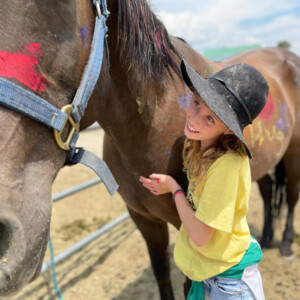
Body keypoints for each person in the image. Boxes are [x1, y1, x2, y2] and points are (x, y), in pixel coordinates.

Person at [139, 59, 269, 300]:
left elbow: (200, 236)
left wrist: (175, 189)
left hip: (230, 284)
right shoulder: (199, 147)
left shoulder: (227, 164)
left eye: (211, 118)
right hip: (213, 272)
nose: (195, 118)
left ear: (229, 130)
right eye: (197, 103)